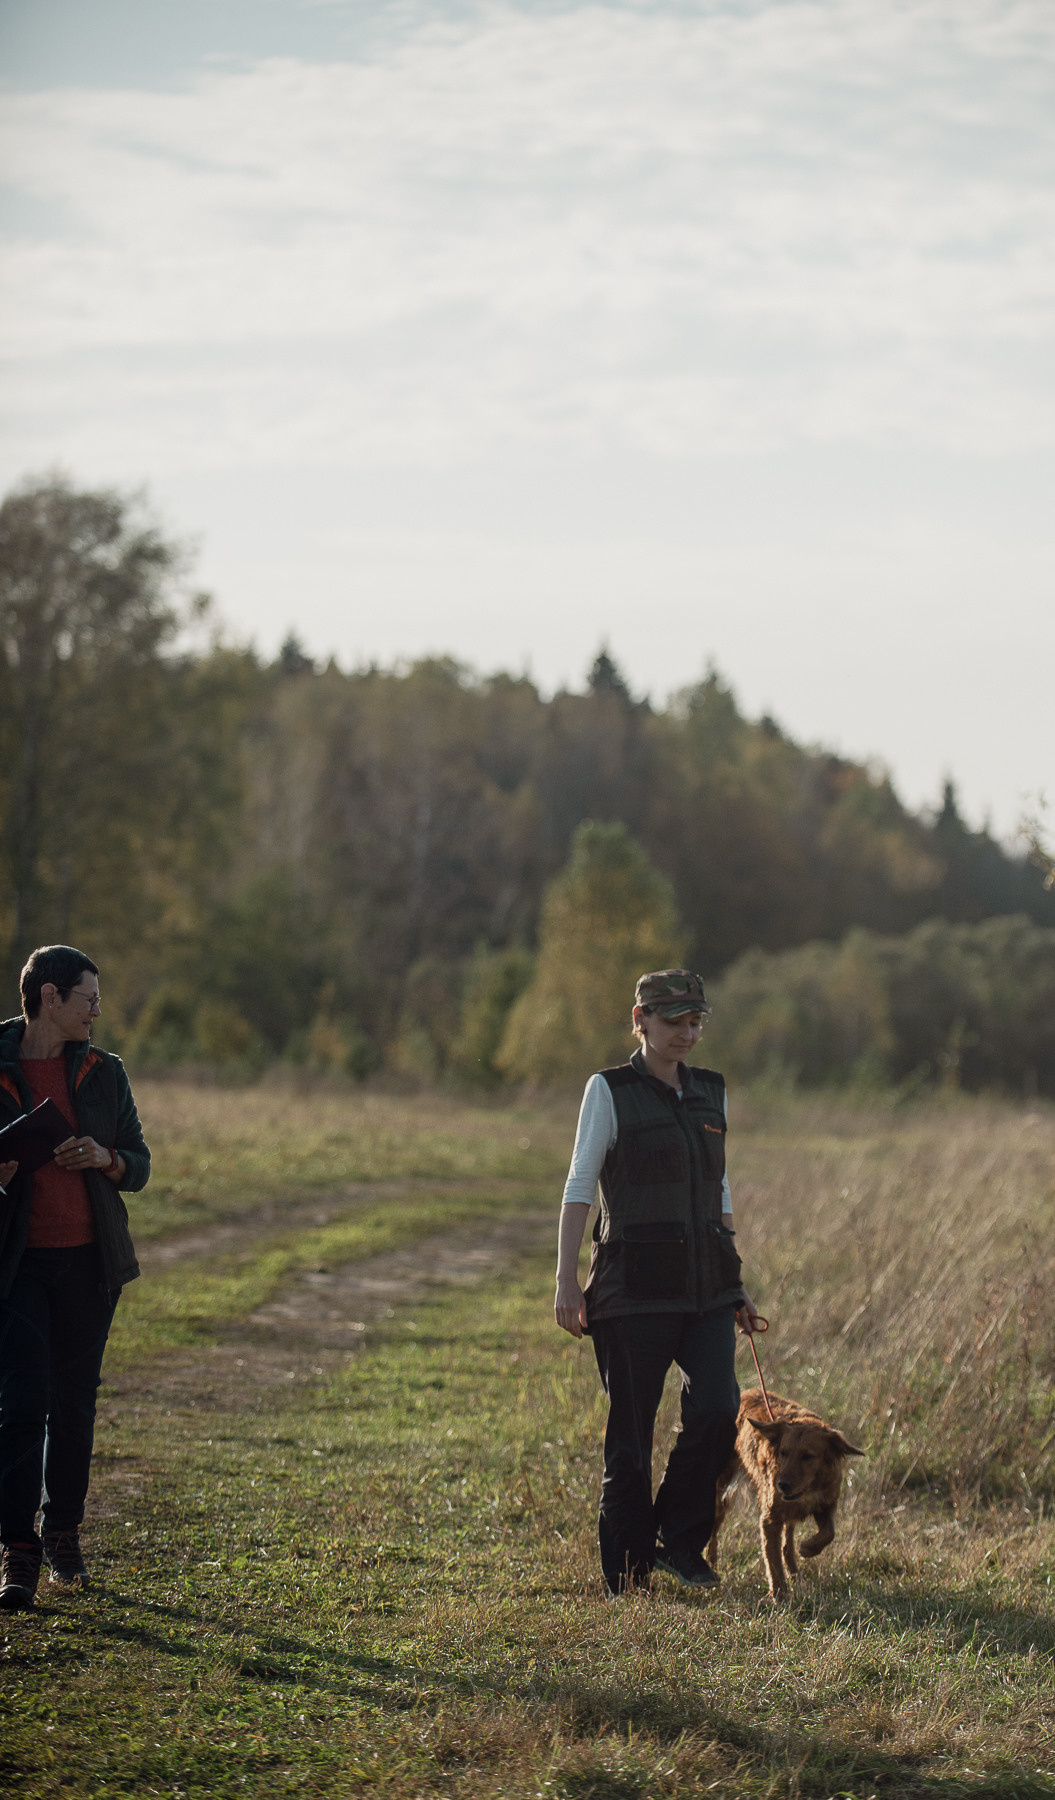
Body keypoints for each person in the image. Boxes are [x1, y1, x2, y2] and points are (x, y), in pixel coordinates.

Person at [554, 968, 761, 1596]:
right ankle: (626, 1574)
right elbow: (579, 1185)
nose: (688, 1034)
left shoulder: (710, 1094)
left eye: (696, 1022)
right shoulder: (609, 1091)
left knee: (721, 1410)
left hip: (705, 1291)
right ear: (640, 1019)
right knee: (630, 1439)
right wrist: (567, 1280)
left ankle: (677, 1540)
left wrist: (736, 1283)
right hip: (631, 1293)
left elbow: (718, 1190)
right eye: (675, 1022)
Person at [0, 945, 150, 1610]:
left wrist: (106, 1156)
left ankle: (63, 1532)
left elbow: (140, 1163)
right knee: (22, 1404)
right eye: (88, 997)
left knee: (74, 1404)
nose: (98, 1009)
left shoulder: (103, 1072)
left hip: (91, 1263)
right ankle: (18, 1551)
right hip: (18, 1262)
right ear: (49, 997)